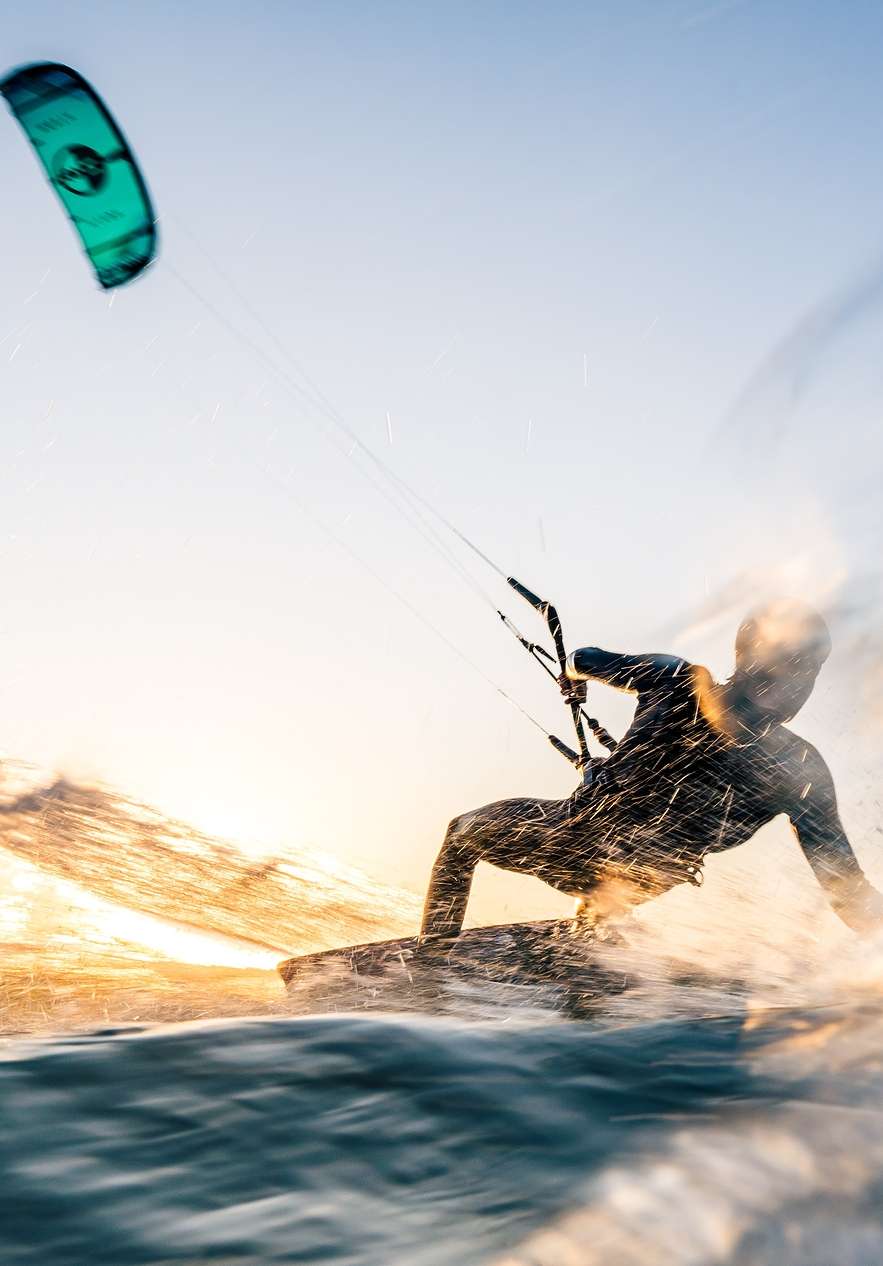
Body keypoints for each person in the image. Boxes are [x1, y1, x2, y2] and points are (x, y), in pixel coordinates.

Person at [419, 600, 883, 942]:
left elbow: (848, 893)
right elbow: (582, 659)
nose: (800, 683)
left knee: (464, 834)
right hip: (577, 846)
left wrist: (573, 677)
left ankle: (584, 948)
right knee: (464, 834)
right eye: (791, 665)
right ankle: (436, 959)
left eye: (811, 671)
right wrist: (575, 672)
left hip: (607, 869)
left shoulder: (797, 770)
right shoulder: (681, 682)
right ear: (746, 658)